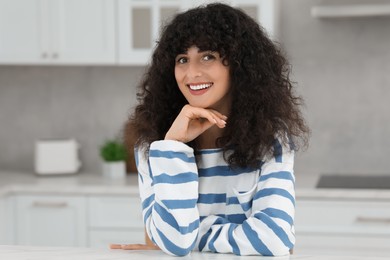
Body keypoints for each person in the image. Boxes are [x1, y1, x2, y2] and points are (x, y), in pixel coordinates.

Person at [113, 2, 309, 257]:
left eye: (208, 57)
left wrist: (189, 235)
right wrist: (174, 146)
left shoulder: (271, 140)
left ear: (239, 65)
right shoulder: (156, 146)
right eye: (182, 59)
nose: (192, 73)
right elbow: (173, 243)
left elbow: (273, 239)